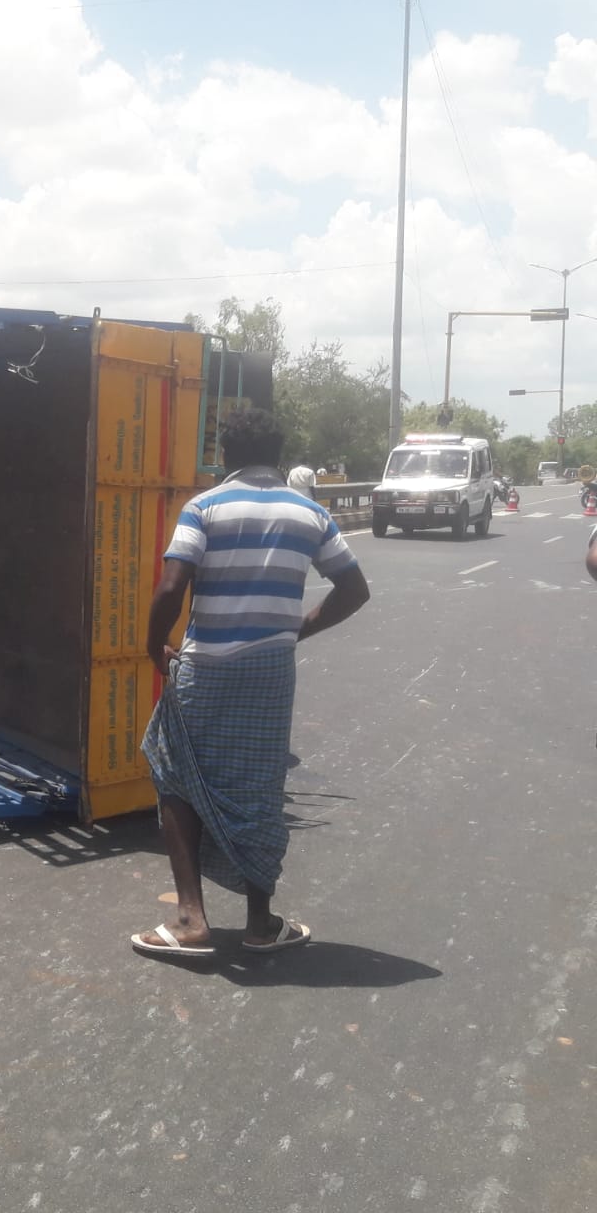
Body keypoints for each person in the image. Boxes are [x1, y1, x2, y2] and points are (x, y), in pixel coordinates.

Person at [132, 407, 370, 960]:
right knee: (260, 785)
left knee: (174, 769)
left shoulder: (206, 507)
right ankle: (261, 923)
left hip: (207, 666)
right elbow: (354, 589)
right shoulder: (310, 514)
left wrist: (152, 646)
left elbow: (171, 587)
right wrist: (298, 629)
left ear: (224, 455)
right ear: (278, 454)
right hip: (270, 672)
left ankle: (191, 919)